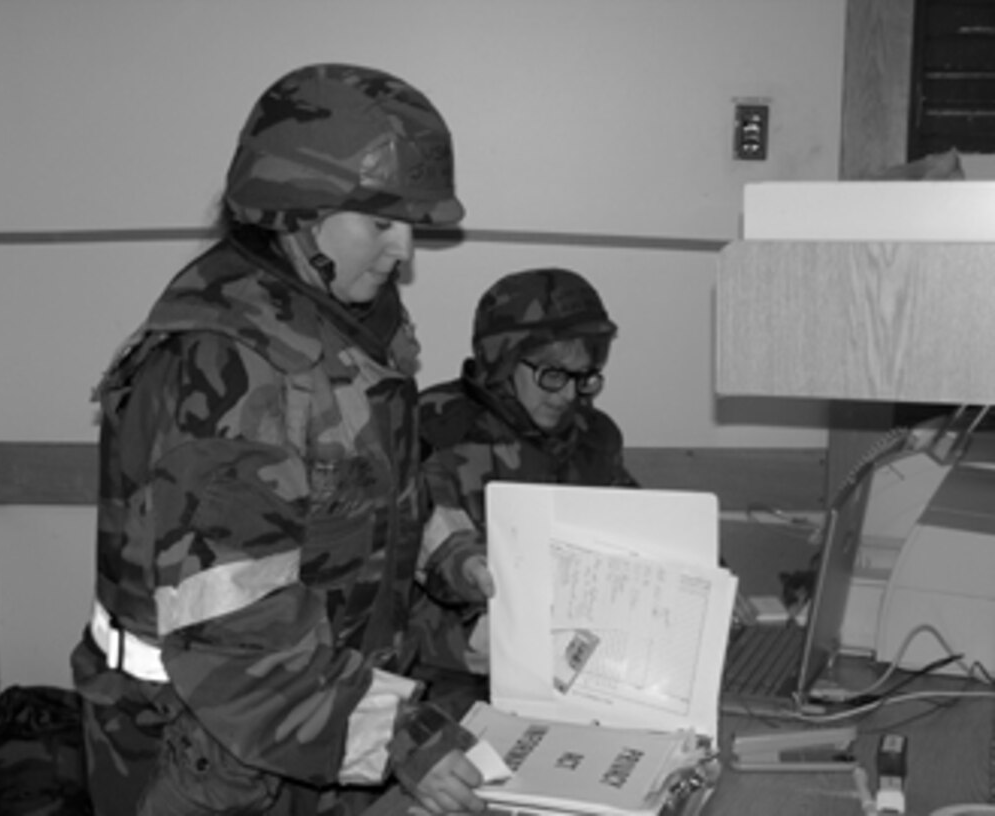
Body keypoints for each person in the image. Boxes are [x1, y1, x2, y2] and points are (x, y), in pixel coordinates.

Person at [69, 63, 487, 816]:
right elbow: (238, 635)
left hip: (317, 728)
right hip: (207, 764)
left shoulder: (345, 323)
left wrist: (461, 561)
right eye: (382, 222)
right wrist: (401, 738)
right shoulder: (226, 362)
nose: (404, 251)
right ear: (296, 210)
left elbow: (383, 492)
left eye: (410, 224)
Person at [409, 267, 640, 717]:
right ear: (502, 361)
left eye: (585, 377)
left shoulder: (593, 436)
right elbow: (407, 578)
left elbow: (637, 524)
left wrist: (706, 574)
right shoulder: (433, 429)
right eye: (553, 375)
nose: (568, 395)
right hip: (452, 680)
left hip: (579, 672)